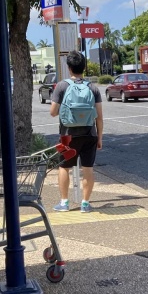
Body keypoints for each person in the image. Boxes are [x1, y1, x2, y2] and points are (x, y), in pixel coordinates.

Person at [50, 51, 103, 213]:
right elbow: (99, 117)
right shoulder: (92, 88)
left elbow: (53, 112)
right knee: (88, 168)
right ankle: (85, 204)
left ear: (69, 68)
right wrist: (99, 138)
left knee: (64, 167)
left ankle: (64, 203)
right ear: (84, 67)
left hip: (68, 135)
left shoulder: (61, 86)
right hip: (89, 134)